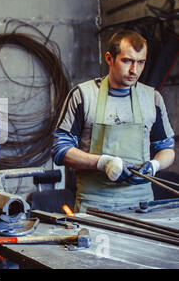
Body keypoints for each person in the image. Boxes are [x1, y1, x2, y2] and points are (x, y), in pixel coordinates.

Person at [52, 30, 175, 213]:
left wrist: (155, 165)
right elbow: (60, 150)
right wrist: (102, 163)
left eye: (140, 62)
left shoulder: (152, 99)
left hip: (141, 206)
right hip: (94, 206)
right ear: (109, 59)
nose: (134, 70)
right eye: (127, 61)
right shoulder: (83, 96)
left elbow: (166, 149)